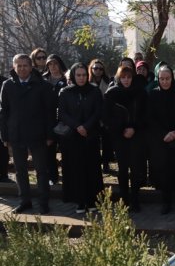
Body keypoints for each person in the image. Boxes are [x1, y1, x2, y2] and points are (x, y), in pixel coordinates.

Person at [0, 54, 55, 214]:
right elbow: (3, 112)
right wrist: (4, 136)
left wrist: (50, 135)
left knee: (41, 171)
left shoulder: (42, 86)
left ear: (31, 67)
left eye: (25, 65)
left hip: (38, 135)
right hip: (16, 135)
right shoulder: (8, 85)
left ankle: (43, 202)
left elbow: (49, 113)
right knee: (20, 171)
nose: (22, 68)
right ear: (14, 67)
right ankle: (25, 201)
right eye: (19, 66)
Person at [57, 62, 105, 213]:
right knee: (75, 170)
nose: (81, 78)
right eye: (78, 75)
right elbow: (62, 114)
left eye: (84, 75)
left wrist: (86, 127)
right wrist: (77, 126)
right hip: (72, 138)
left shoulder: (95, 91)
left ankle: (92, 201)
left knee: (92, 170)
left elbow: (98, 112)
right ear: (73, 75)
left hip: (90, 137)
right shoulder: (65, 92)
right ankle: (79, 201)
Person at [147, 66, 175, 214]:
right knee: (164, 172)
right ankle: (166, 202)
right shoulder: (153, 95)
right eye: (162, 79)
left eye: (167, 78)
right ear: (158, 79)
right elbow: (150, 119)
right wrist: (163, 134)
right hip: (161, 140)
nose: (165, 82)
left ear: (172, 78)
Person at [104, 65, 147, 212]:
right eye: (123, 77)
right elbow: (107, 118)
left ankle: (135, 199)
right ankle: (124, 200)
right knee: (122, 169)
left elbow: (145, 115)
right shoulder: (112, 93)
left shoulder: (140, 92)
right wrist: (122, 130)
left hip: (137, 135)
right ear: (119, 78)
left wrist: (134, 128)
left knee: (135, 169)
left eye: (129, 77)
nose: (126, 80)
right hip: (119, 136)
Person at [43, 54, 68, 186]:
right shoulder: (43, 80)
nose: (53, 66)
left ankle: (68, 176)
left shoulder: (67, 79)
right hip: (48, 121)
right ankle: (53, 176)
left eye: (55, 63)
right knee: (49, 151)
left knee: (66, 150)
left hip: (63, 120)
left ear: (60, 64)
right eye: (50, 64)